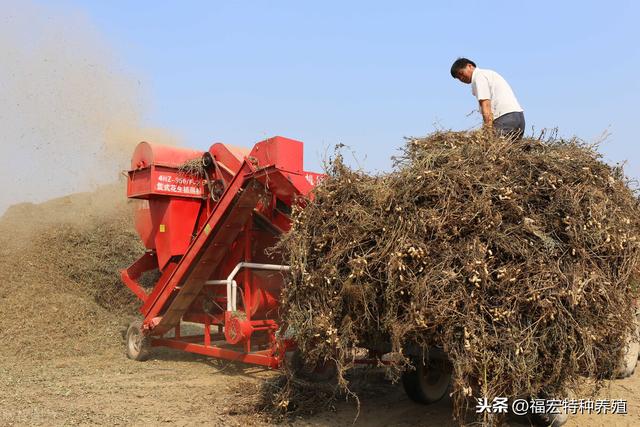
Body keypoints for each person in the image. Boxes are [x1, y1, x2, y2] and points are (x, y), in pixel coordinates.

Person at [450, 58, 525, 139]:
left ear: (470, 66)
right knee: (509, 150)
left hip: (504, 118)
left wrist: (487, 132)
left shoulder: (479, 76)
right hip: (519, 118)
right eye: (458, 78)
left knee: (492, 148)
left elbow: (485, 104)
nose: (461, 78)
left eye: (461, 73)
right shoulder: (488, 74)